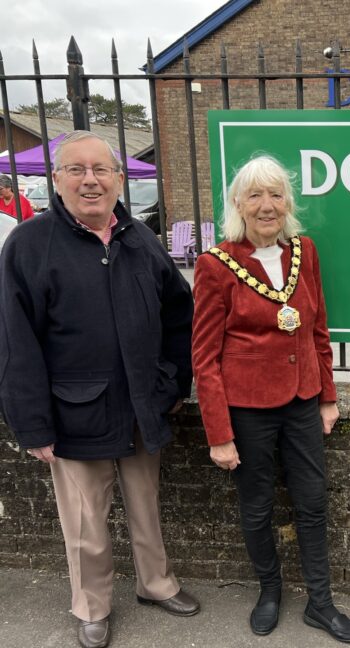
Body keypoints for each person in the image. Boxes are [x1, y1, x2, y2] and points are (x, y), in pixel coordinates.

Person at [0, 131, 199, 648]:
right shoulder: (28, 244)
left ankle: (156, 584)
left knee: (146, 503)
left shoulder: (141, 240)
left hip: (142, 404)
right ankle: (92, 606)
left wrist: (175, 381)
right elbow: (13, 342)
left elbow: (180, 316)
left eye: (101, 170)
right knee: (86, 520)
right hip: (73, 412)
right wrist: (32, 424)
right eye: (76, 170)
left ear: (117, 179)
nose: (90, 180)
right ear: (56, 181)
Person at [192, 155, 350, 643]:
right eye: (255, 196)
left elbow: (318, 327)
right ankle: (269, 591)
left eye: (275, 195)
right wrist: (219, 435)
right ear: (238, 205)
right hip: (247, 410)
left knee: (312, 503)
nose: (267, 206)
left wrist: (328, 396)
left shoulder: (303, 251)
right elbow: (204, 358)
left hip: (303, 402)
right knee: (257, 506)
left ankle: (321, 603)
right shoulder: (215, 265)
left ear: (287, 202)